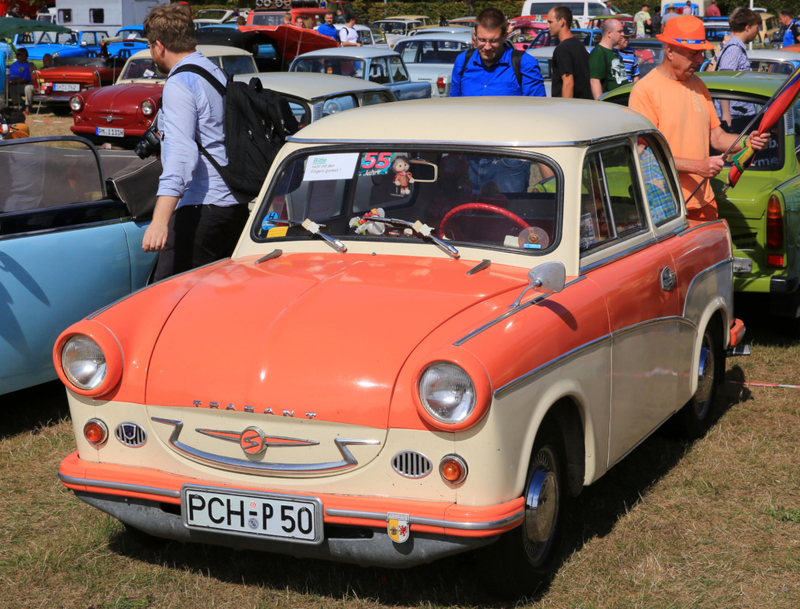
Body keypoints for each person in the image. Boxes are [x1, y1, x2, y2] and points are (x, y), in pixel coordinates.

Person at [140, 4, 251, 281]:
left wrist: (159, 221)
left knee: (168, 295)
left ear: (159, 46)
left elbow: (181, 157)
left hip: (203, 206)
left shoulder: (180, 83)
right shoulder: (213, 71)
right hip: (233, 204)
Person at [628, 16, 769, 221]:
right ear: (670, 52)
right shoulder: (645, 91)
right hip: (669, 207)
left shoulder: (698, 85)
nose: (700, 59)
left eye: (701, 53)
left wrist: (748, 141)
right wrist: (698, 167)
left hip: (704, 199)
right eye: (694, 53)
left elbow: (717, 137)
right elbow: (645, 155)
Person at [450, 7, 545, 97]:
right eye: (482, 40)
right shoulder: (463, 61)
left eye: (493, 41)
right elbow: (454, 104)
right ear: (475, 35)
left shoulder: (524, 63)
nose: (487, 47)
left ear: (504, 37)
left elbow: (536, 107)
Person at [714, 8, 761, 129]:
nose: (758, 32)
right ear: (747, 27)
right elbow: (723, 80)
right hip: (735, 115)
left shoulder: (732, 47)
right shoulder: (734, 49)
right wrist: (726, 114)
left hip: (738, 113)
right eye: (757, 28)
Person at [547, 5, 592, 98]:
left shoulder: (562, 49)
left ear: (562, 22)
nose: (547, 26)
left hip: (570, 108)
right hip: (584, 105)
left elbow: (568, 83)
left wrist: (565, 110)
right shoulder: (579, 46)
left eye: (550, 22)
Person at [589, 19, 628, 98]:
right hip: (610, 104)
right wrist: (601, 105)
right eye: (619, 31)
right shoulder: (599, 53)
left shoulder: (614, 52)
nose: (623, 34)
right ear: (609, 33)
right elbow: (594, 81)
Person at [8, 48, 34, 115]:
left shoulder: (29, 65)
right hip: (11, 84)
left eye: (18, 54)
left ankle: (28, 107)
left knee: (28, 88)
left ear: (24, 55)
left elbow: (25, 80)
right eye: (16, 54)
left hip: (24, 84)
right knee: (10, 89)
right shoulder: (13, 65)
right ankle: (22, 105)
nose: (16, 56)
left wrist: (14, 82)